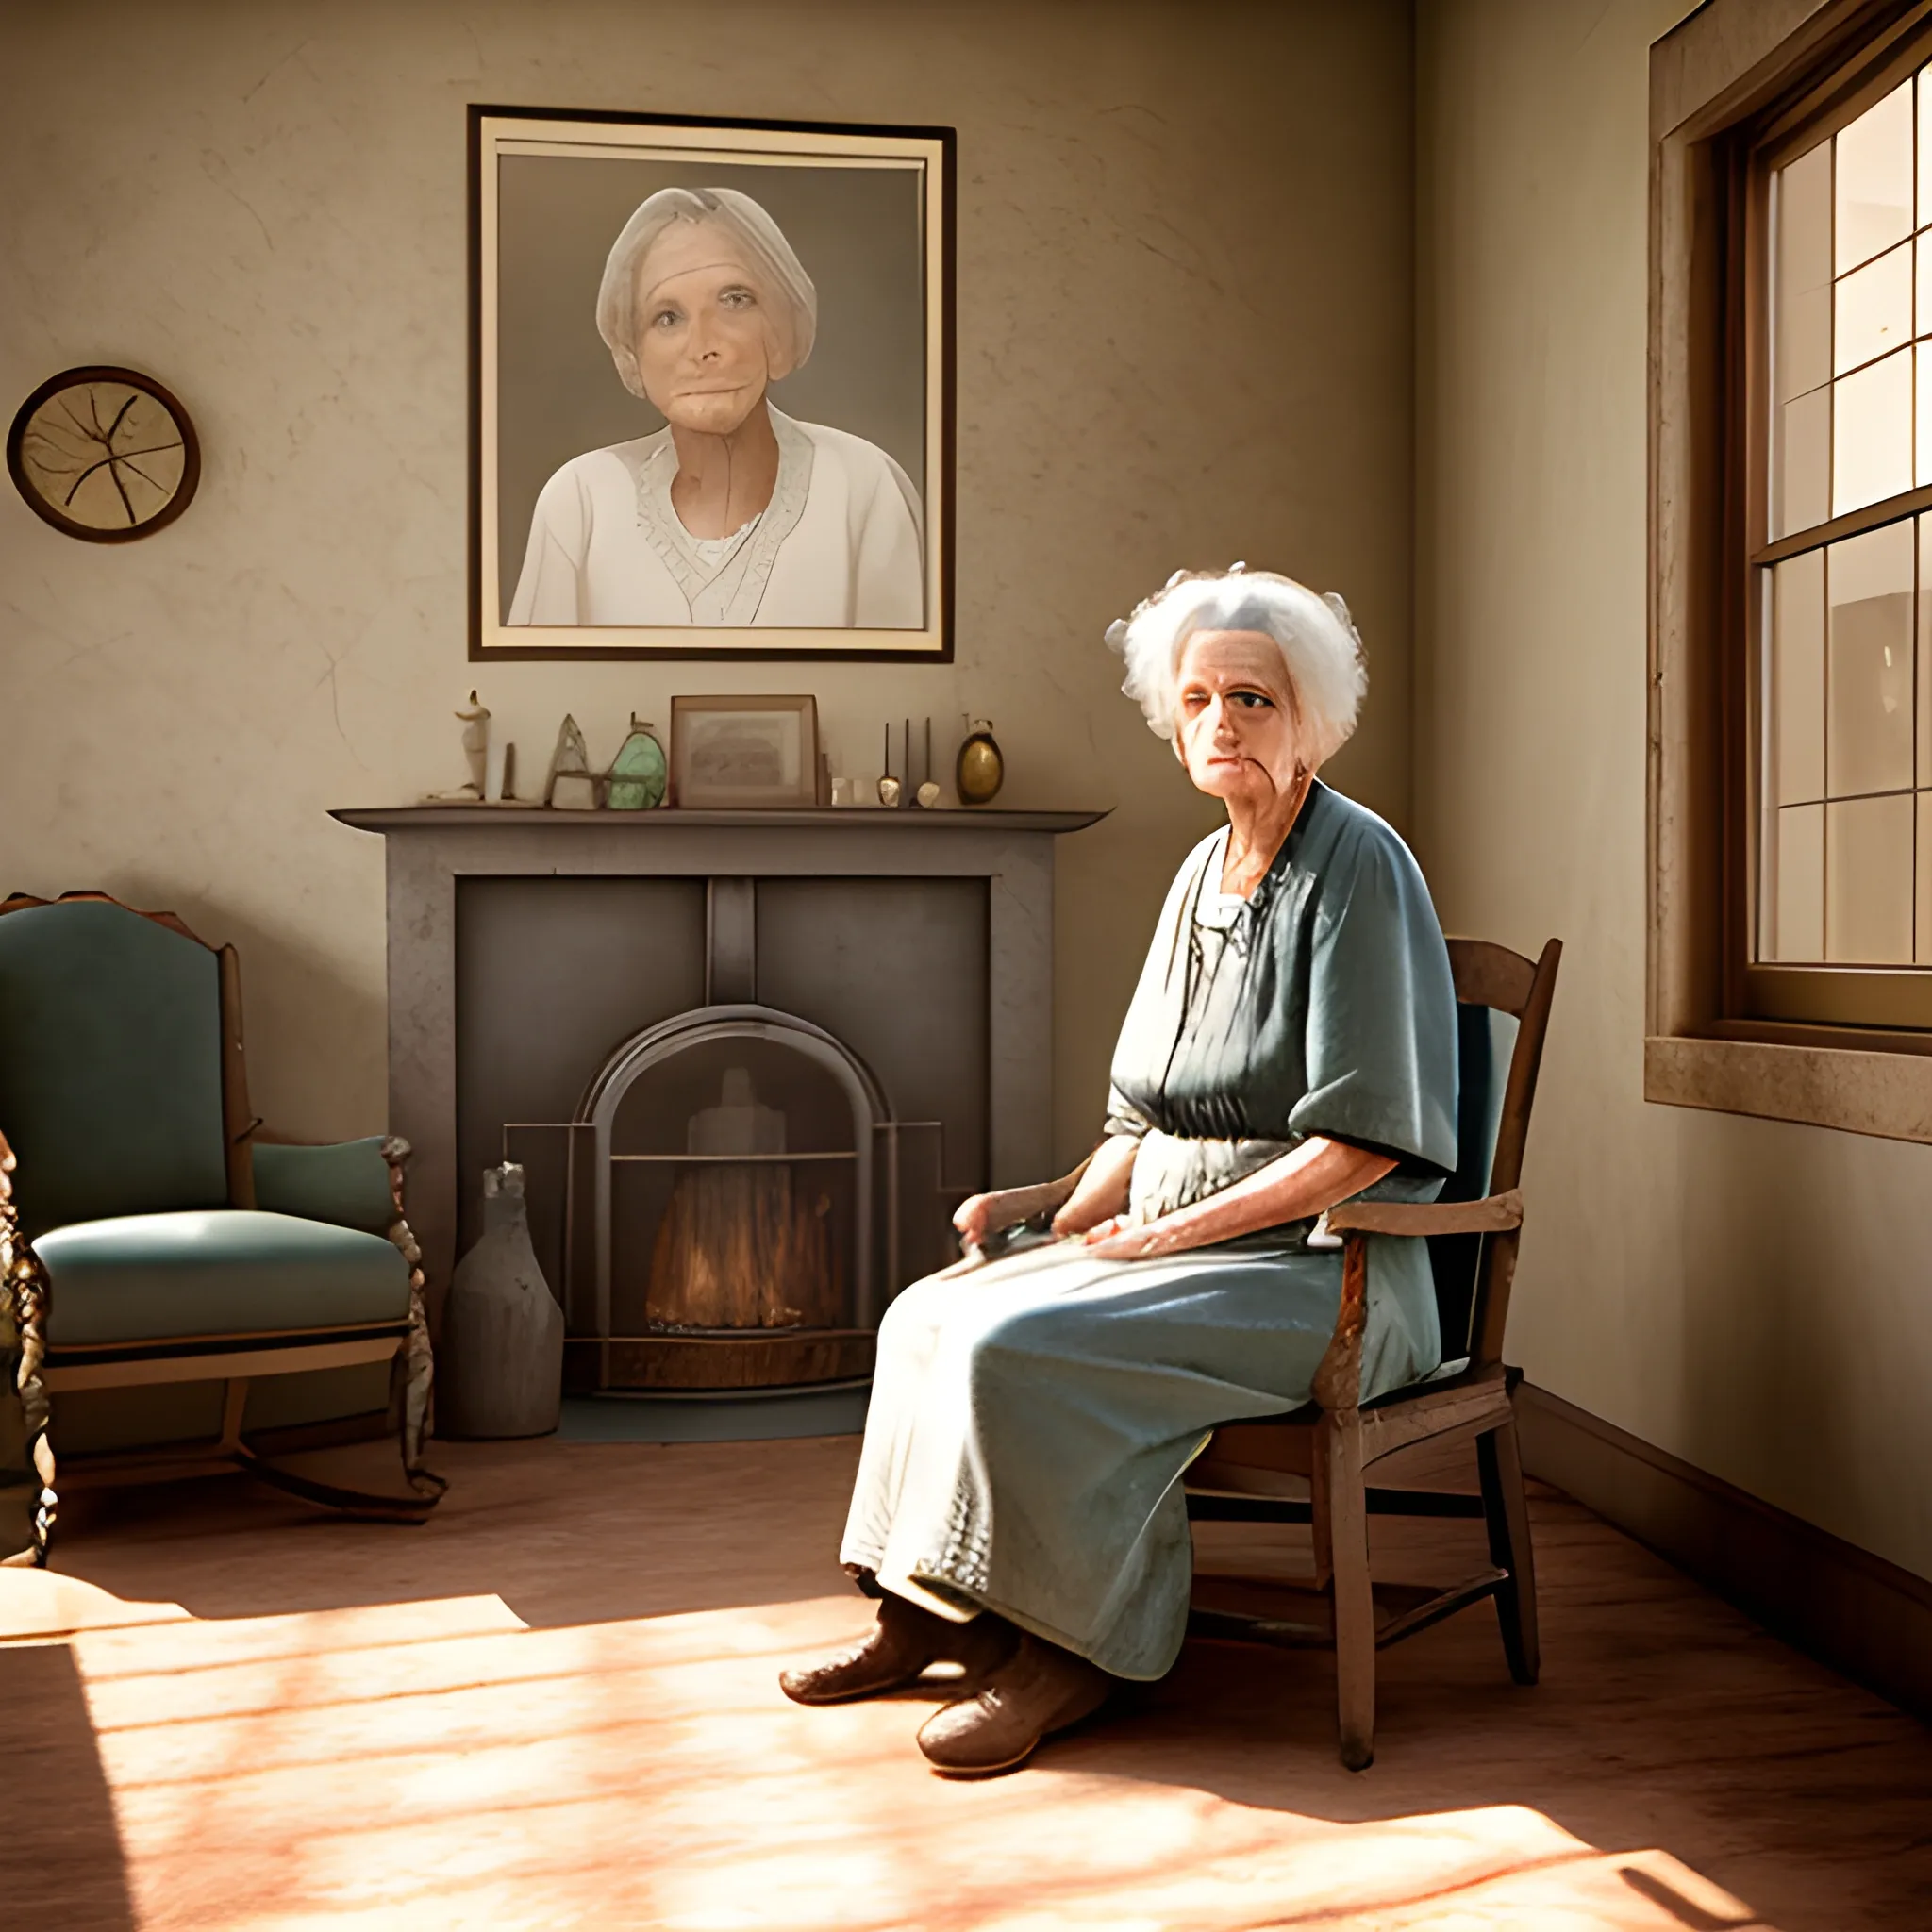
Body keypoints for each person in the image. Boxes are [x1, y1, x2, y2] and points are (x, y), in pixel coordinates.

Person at [778, 566, 1459, 1776]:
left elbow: (1359, 1144)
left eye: (1250, 698)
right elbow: (1141, 1124)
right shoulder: (1199, 872)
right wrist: (1042, 1210)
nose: (1219, 723)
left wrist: (1166, 1240)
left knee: (1018, 1346)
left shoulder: (1362, 867)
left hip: (1324, 1272)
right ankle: (921, 1613)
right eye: (1196, 698)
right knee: (927, 1314)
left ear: (1310, 715)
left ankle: (1068, 1652)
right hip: (1178, 1241)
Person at [508, 185, 924, 628]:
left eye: (734, 300)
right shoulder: (580, 501)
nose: (704, 347)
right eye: (667, 317)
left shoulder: (863, 487)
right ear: (633, 354)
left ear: (780, 327)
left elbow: (911, 688)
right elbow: (534, 688)